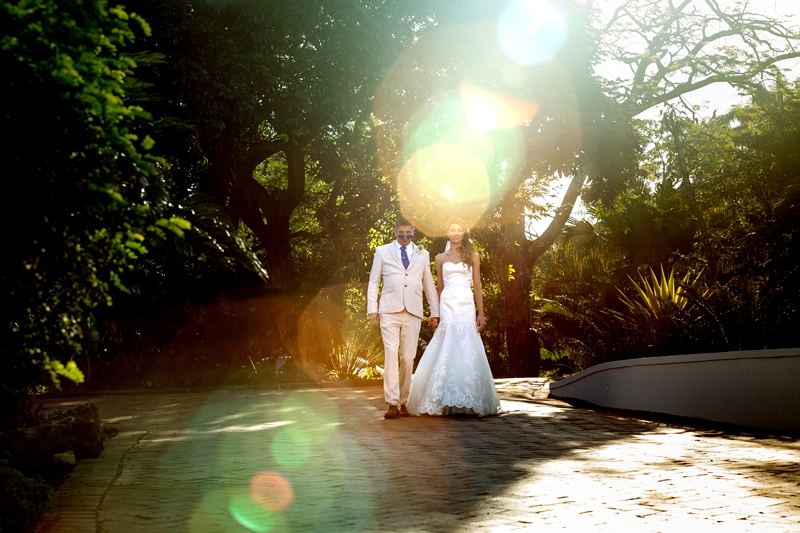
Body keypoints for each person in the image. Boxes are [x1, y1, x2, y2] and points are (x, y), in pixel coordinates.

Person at [406, 217, 501, 417]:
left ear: (463, 232)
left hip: (466, 304)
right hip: (448, 304)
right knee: (447, 344)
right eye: (452, 229)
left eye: (459, 229)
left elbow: (477, 286)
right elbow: (439, 287)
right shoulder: (440, 258)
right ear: (447, 232)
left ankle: (469, 398)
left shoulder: (473, 256)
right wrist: (436, 313)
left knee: (466, 344)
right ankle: (441, 399)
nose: (456, 232)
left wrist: (481, 313)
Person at [368, 216, 440, 419]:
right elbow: (374, 282)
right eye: (402, 233)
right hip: (389, 310)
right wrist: (372, 309)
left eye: (409, 234)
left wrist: (434, 311)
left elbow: (429, 284)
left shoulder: (422, 253)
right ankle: (392, 403)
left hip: (413, 310)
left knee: (408, 358)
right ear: (395, 230)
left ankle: (403, 401)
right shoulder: (382, 251)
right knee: (391, 353)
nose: (406, 237)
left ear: (414, 231)